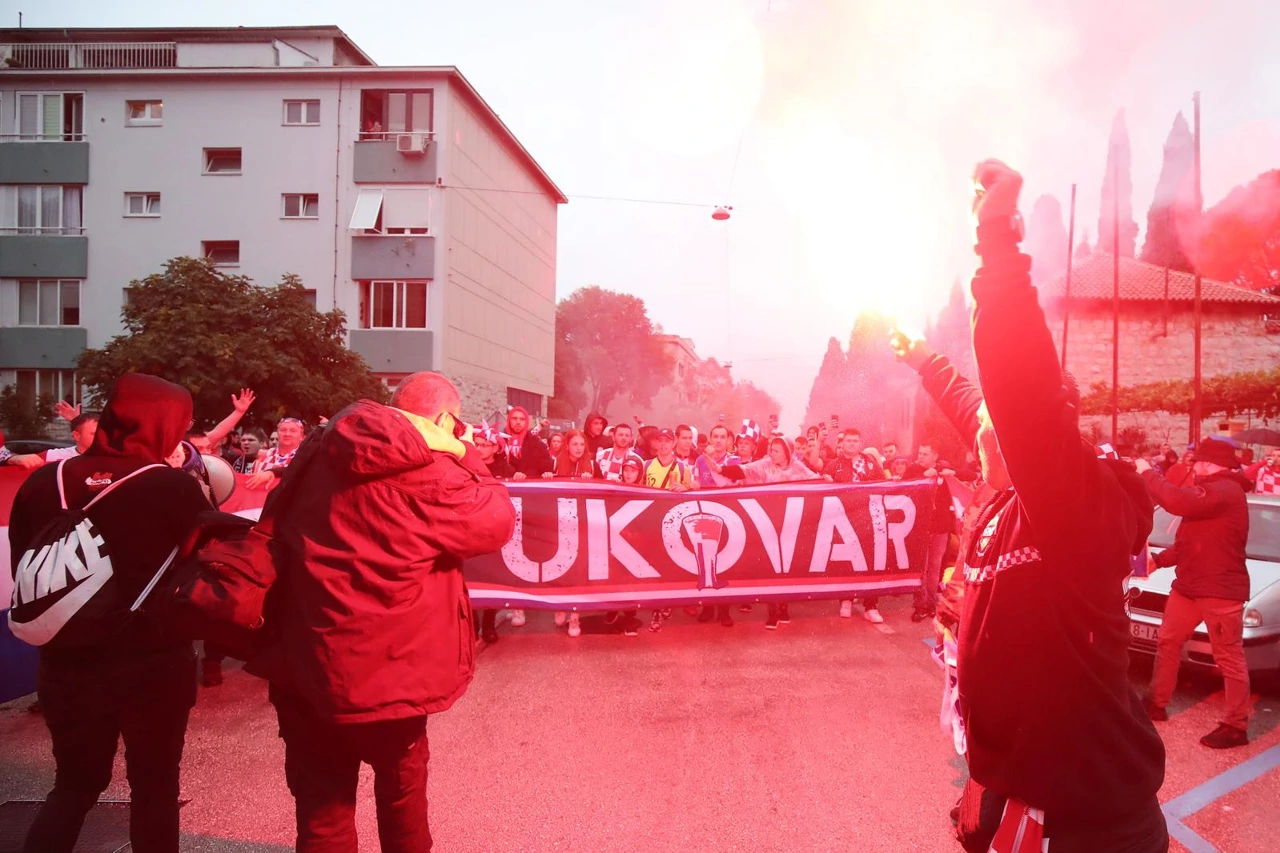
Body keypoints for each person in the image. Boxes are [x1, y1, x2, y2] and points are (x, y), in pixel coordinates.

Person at [895, 159, 1166, 852]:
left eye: (999, 425)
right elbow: (977, 406)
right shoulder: (1006, 489)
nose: (979, 434)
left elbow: (1020, 395)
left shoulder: (1071, 506)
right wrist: (922, 357)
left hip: (1087, 821)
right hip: (1011, 792)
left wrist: (997, 245)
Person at [262, 371, 515, 852]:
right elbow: (497, 520)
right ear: (445, 422)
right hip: (393, 674)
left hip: (308, 660)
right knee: (402, 800)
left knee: (322, 813)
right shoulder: (435, 472)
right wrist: (466, 453)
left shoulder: (319, 449)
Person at [8, 374, 215, 853]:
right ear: (166, 424)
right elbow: (203, 568)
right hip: (153, 662)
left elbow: (27, 563)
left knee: (73, 785)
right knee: (155, 787)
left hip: (65, 662)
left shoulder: (44, 482)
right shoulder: (172, 487)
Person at [1136, 437, 1253, 749]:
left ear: (1209, 463)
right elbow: (1190, 543)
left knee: (1228, 656)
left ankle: (1236, 726)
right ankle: (1156, 702)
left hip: (1220, 590)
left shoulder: (1225, 490)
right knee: (1168, 641)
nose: (1193, 465)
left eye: (1197, 461)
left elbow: (1177, 501)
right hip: (1190, 586)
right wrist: (1159, 561)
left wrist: (1148, 473)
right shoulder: (1215, 491)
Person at [705, 436, 819, 630]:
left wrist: (827, 480)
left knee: (787, 568)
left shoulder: (798, 468)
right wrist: (719, 469)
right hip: (768, 525)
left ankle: (784, 608)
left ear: (787, 453)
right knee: (772, 568)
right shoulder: (764, 465)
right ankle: (773, 612)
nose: (772, 454)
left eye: (776, 451)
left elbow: (816, 481)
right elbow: (743, 470)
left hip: (791, 525)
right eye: (771, 450)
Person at [825, 429, 887, 624]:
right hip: (843, 521)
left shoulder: (871, 464)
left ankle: (871, 606)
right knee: (846, 563)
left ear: (860, 443)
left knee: (871, 562)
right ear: (842, 444)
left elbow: (884, 486)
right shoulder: (833, 466)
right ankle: (846, 600)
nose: (851, 444)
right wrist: (827, 482)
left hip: (868, 520)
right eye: (848, 441)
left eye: (855, 441)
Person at [904, 443, 960, 622]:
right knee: (922, 568)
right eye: (919, 453)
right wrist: (922, 477)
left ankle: (930, 602)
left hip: (940, 527)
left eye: (925, 454)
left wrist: (952, 473)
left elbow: (969, 475)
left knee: (935, 566)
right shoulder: (913, 470)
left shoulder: (944, 469)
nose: (920, 457)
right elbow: (904, 486)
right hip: (920, 527)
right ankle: (921, 604)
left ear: (935, 456)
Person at [473, 424, 513, 644]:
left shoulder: (506, 469)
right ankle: (472, 624)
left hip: (494, 528)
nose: (479, 449)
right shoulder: (467, 465)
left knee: (492, 576)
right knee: (472, 575)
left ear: (495, 447)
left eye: (485, 445)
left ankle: (488, 624)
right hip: (473, 527)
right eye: (477, 444)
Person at [245, 416, 306, 489]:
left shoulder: (306, 459)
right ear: (278, 433)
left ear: (302, 437)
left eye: (293, 431)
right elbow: (249, 483)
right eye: (283, 430)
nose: (287, 434)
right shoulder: (263, 456)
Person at [505, 406, 553, 483]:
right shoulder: (499, 441)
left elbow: (545, 464)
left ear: (526, 422)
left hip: (529, 486)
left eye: (522, 419)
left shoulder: (535, 443)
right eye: (514, 418)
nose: (518, 422)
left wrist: (547, 472)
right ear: (509, 420)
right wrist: (512, 473)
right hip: (506, 485)